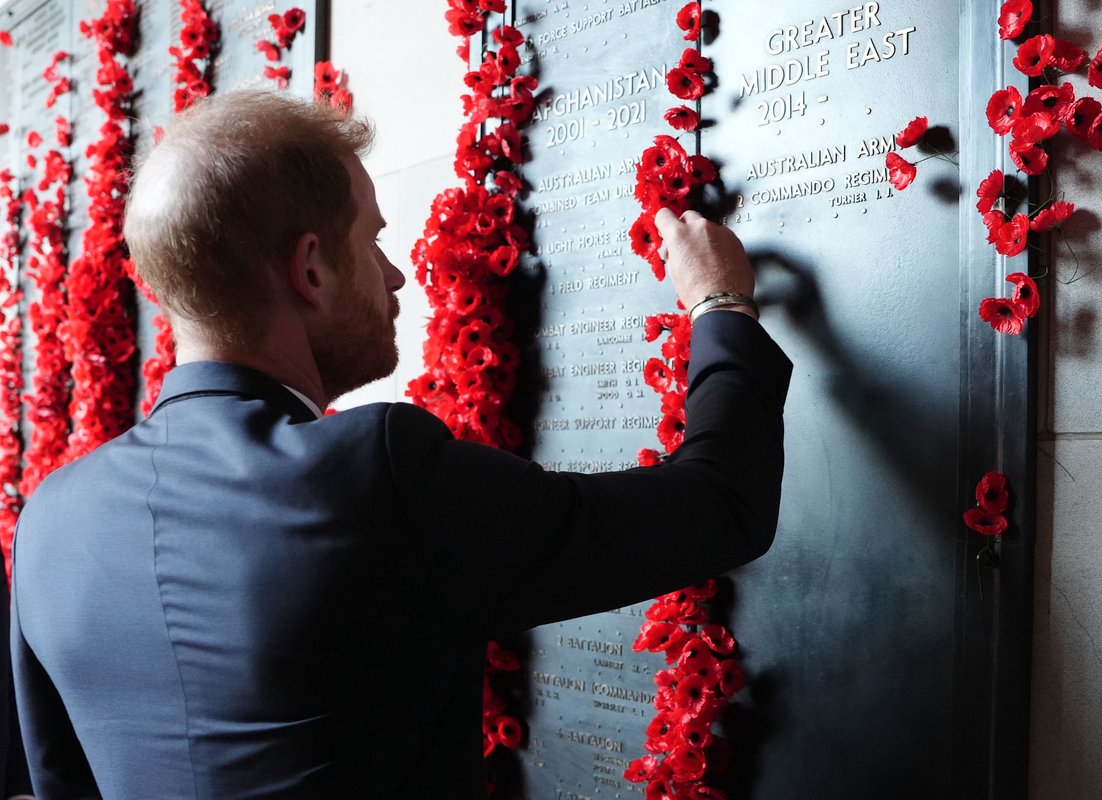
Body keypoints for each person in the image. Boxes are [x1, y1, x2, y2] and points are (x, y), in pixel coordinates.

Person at [10, 90, 791, 798]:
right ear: (311, 269)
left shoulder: (49, 523)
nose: (395, 277)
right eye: (374, 241)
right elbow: (721, 506)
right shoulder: (371, 474)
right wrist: (718, 304)